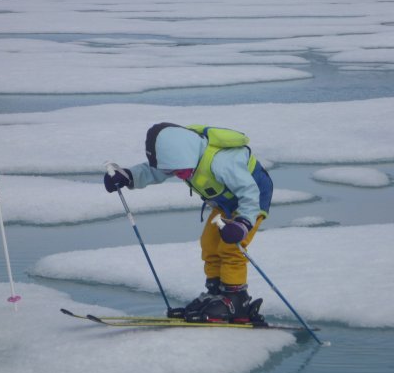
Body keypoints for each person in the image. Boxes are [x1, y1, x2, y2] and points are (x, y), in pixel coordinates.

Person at [104, 123, 273, 324]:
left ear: (186, 155)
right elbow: (154, 171)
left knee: (231, 248)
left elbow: (249, 193)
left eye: (181, 171)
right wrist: (128, 176)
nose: (178, 175)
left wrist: (243, 223)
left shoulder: (222, 163)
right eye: (174, 171)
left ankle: (236, 301)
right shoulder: (184, 159)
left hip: (251, 202)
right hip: (225, 203)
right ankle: (216, 293)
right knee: (209, 244)